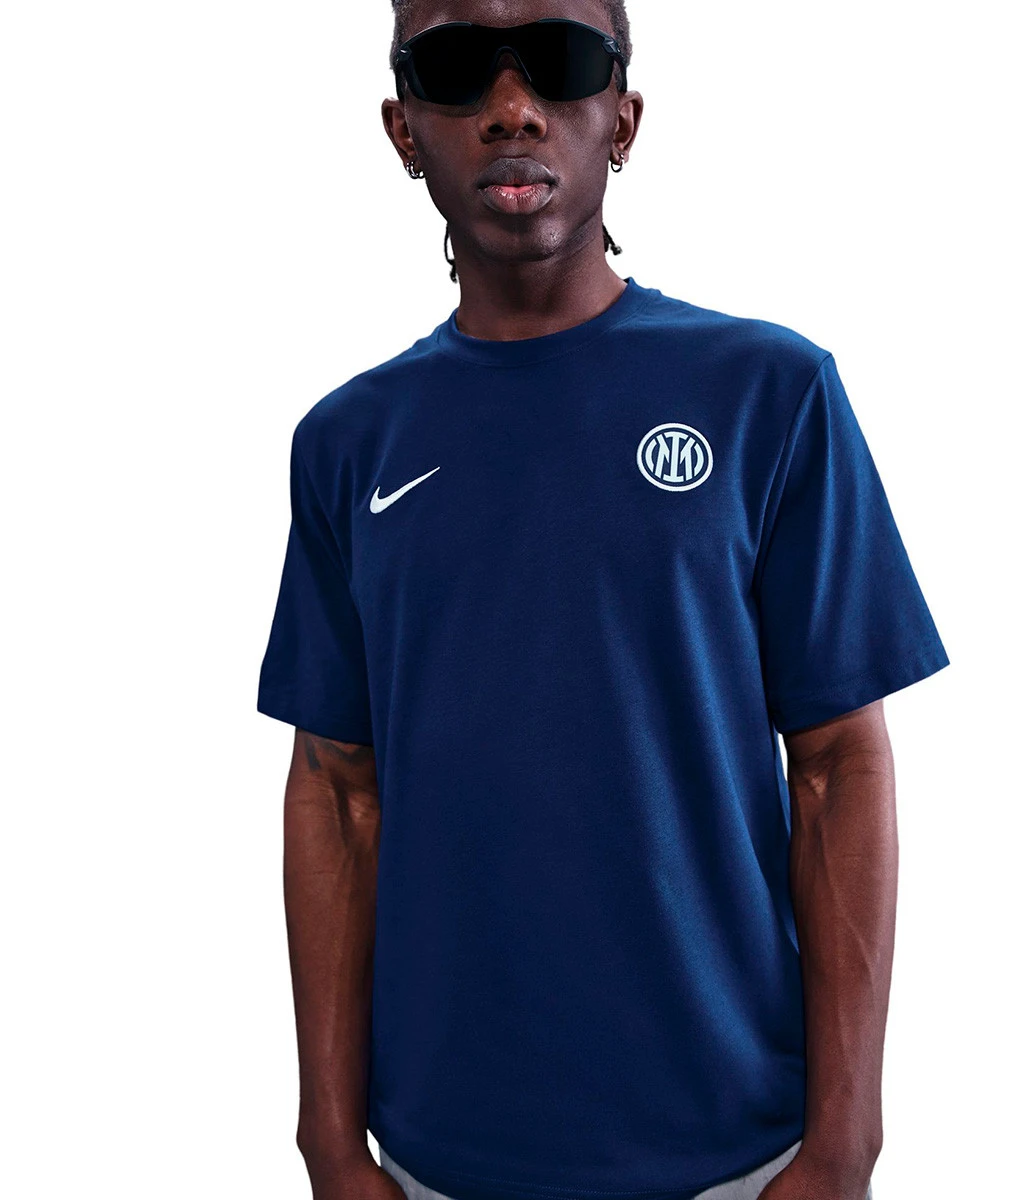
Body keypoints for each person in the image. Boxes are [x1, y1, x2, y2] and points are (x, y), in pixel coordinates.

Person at [256, 4, 950, 1199]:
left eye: (561, 62)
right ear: (403, 130)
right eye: (456, 69)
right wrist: (327, 1140)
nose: (511, 108)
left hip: (739, 1150)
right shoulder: (348, 441)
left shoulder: (769, 394)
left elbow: (840, 766)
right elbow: (335, 787)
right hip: (437, 1155)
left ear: (622, 121)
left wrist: (845, 1146)